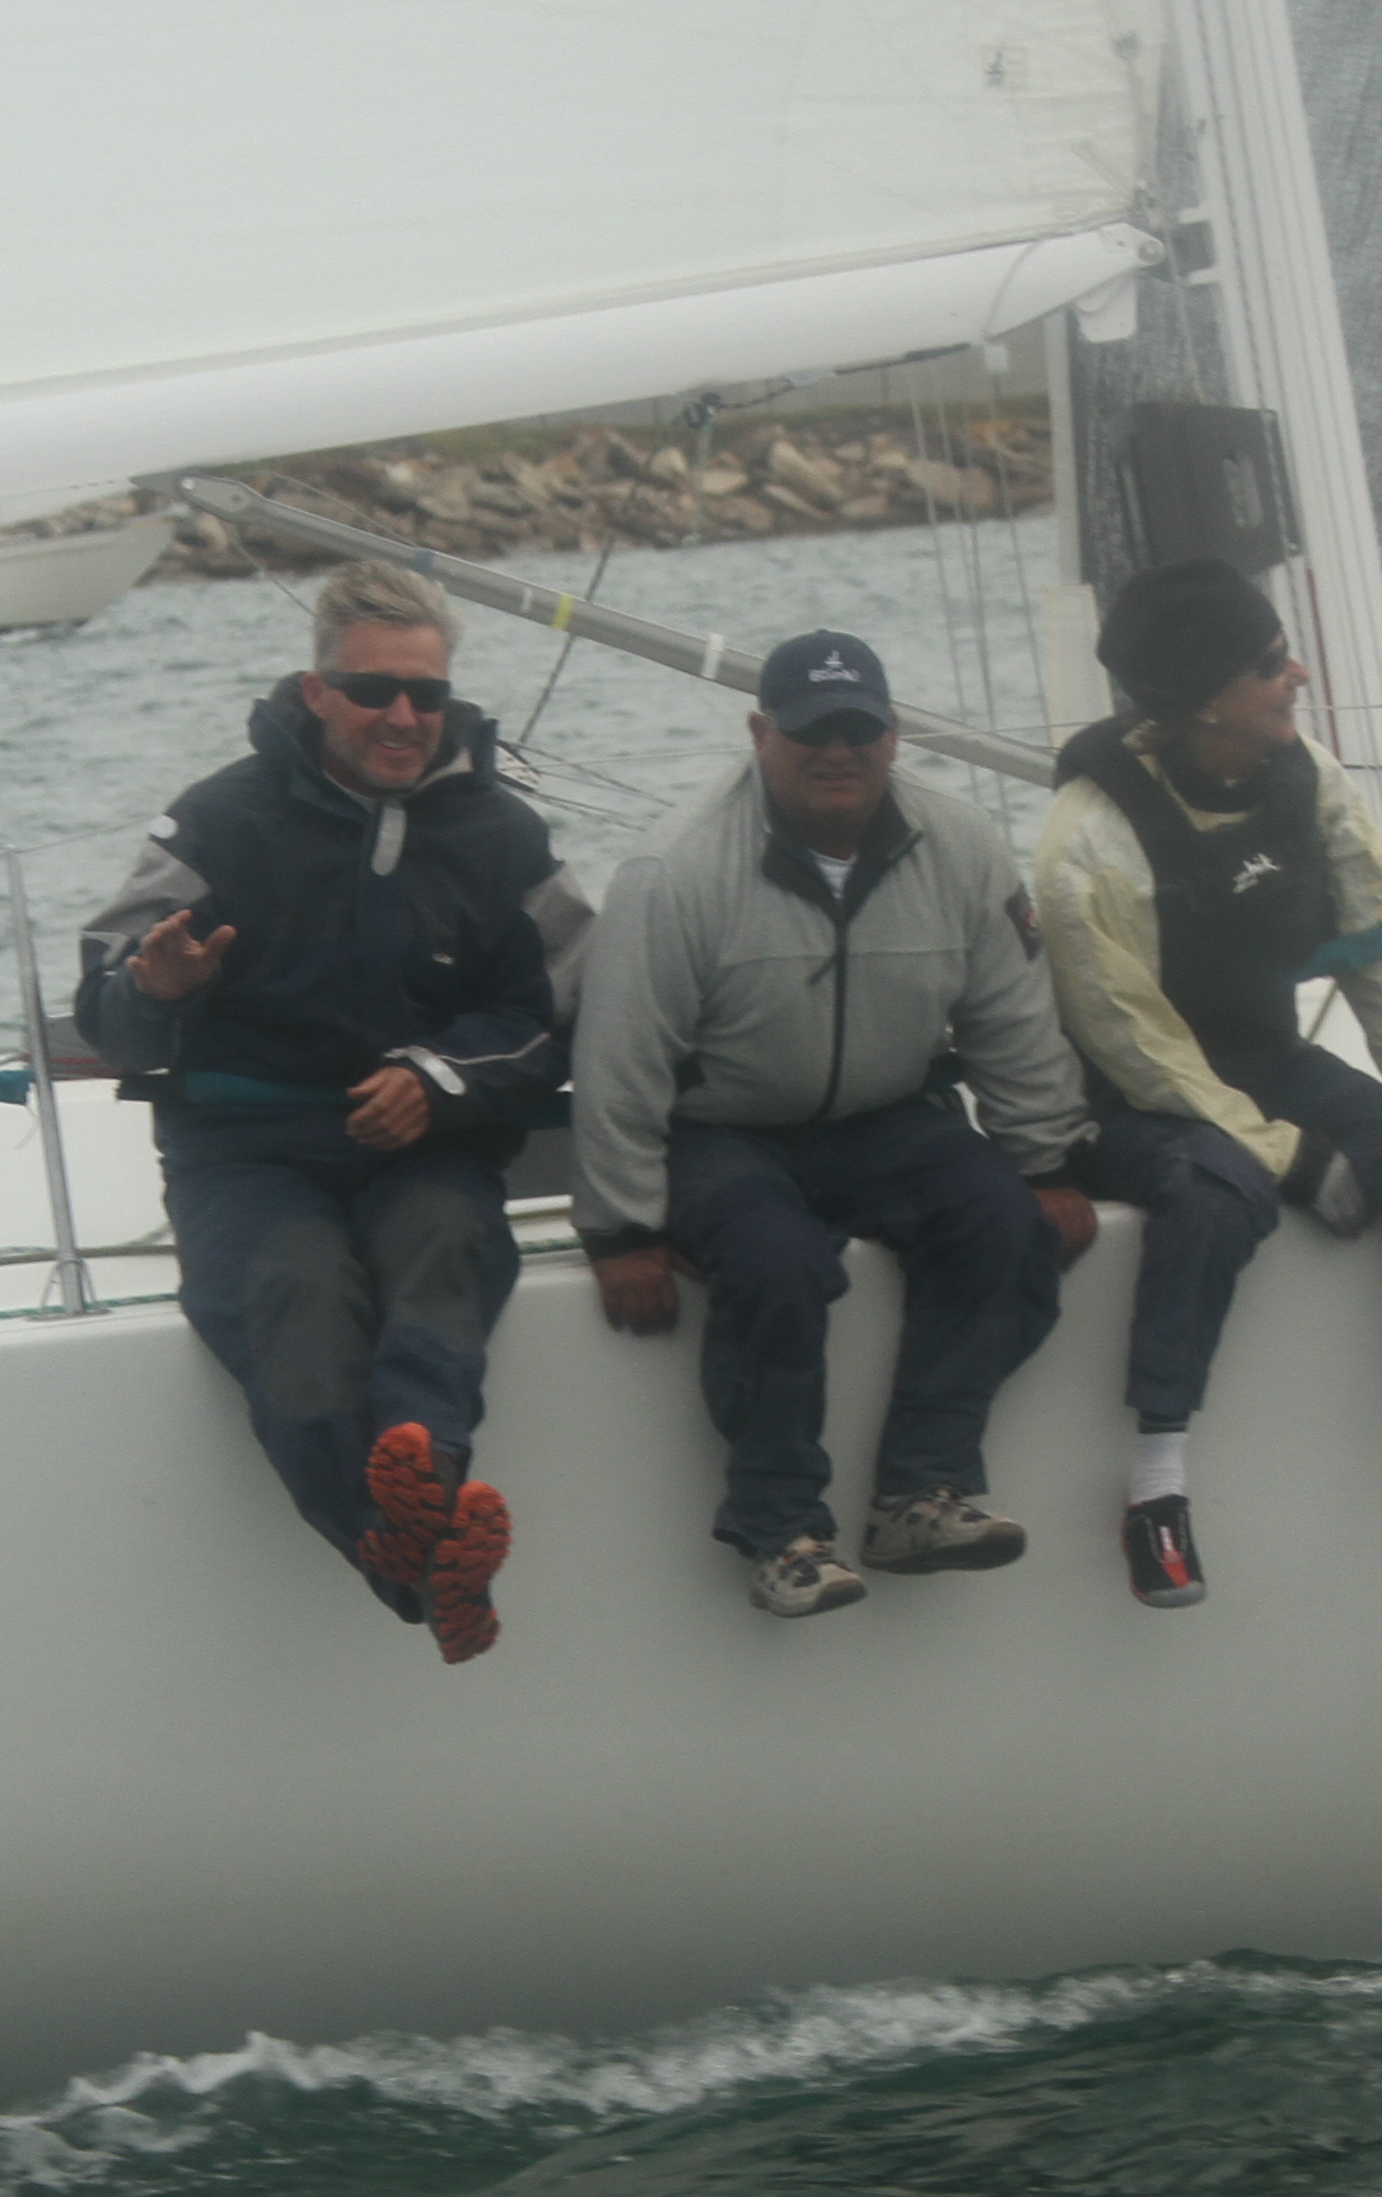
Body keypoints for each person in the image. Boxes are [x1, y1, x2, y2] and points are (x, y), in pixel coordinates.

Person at [74, 560, 590, 1664]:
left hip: (427, 1147)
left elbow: (559, 1010)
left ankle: (412, 1522)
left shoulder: (506, 838)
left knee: (443, 1254)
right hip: (248, 1153)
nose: (403, 716)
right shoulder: (213, 824)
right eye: (372, 690)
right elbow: (105, 1005)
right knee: (296, 1299)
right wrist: (154, 991)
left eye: (426, 693)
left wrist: (439, 1079)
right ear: (317, 692)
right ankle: (417, 1561)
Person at [1036, 560, 1382, 1607]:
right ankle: (1155, 1492)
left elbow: (1379, 945)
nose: (1299, 677)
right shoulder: (1086, 844)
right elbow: (1134, 1041)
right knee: (1216, 1194)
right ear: (1204, 698)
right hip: (1132, 1096)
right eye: (1270, 663)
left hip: (1270, 1060)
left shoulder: (1307, 774)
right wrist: (1284, 1153)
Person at [574, 629, 1097, 1617]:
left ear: (895, 734)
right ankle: (779, 1533)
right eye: (811, 731)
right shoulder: (674, 869)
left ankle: (920, 1493)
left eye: (859, 729)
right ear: (759, 733)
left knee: (1005, 1225)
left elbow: (1013, 1018)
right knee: (775, 1266)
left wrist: (1047, 1163)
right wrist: (620, 1230)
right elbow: (620, 1061)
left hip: (886, 1116)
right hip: (722, 1128)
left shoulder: (962, 845)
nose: (837, 751)